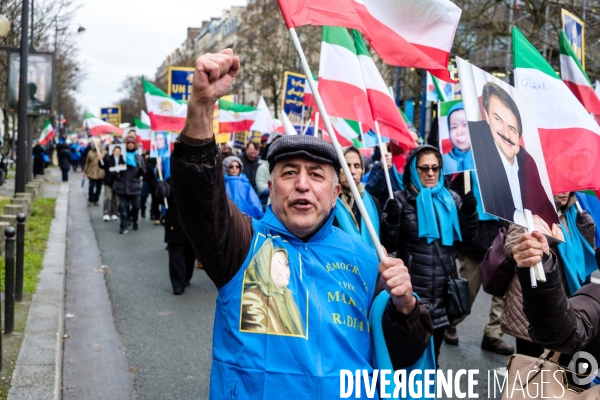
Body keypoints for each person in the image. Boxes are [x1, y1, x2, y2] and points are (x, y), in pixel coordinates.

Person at [171, 49, 432, 399]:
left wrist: (407, 309)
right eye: (289, 173)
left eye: (316, 175)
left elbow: (399, 358)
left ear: (337, 191)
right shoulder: (241, 245)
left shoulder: (368, 259)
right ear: (272, 186)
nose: (302, 184)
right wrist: (201, 108)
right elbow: (199, 196)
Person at [381, 145, 478, 366]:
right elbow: (388, 244)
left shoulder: (452, 199)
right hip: (411, 293)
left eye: (435, 168)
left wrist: (470, 214)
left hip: (443, 293)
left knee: (433, 358)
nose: (431, 173)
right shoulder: (399, 200)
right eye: (424, 168)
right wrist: (391, 221)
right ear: (413, 171)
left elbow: (466, 242)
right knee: (406, 357)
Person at [502, 192, 595, 357]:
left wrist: (587, 232)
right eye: (559, 186)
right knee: (528, 370)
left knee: (558, 372)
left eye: (568, 187)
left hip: (565, 300)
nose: (564, 192)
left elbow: (584, 257)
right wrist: (541, 238)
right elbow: (510, 247)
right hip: (534, 298)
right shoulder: (530, 207)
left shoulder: (575, 210)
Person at [469, 81, 558, 228]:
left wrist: (553, 228)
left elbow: (545, 210)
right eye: (498, 119)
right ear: (487, 117)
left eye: (512, 128)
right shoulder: (476, 144)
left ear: (519, 135)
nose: (505, 133)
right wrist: (523, 219)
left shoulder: (528, 162)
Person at [444, 172, 513, 355]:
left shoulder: (504, 172)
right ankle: (450, 323)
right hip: (474, 242)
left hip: (500, 238)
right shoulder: (463, 173)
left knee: (502, 293)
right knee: (468, 290)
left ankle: (493, 335)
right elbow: (454, 206)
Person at [511, 230, 600, 358]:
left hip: (568, 293)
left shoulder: (576, 216)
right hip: (546, 300)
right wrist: (542, 264)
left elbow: (583, 254)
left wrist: (586, 229)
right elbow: (565, 332)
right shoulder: (596, 295)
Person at [334, 146, 381, 248]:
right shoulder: (328, 202)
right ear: (337, 169)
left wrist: (392, 223)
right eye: (346, 165)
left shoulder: (373, 202)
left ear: (362, 170)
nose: (352, 171)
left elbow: (386, 243)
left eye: (357, 166)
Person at [113, 133, 146, 234]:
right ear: (125, 144)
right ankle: (123, 226)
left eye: (132, 142)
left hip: (134, 185)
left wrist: (141, 169)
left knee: (136, 206)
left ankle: (134, 220)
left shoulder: (138, 156)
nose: (130, 144)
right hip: (122, 185)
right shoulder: (121, 155)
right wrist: (116, 171)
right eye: (128, 142)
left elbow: (144, 171)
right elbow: (112, 168)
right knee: (123, 207)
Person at [442, 102, 475, 174]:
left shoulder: (487, 157)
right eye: (453, 127)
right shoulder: (442, 161)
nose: (459, 132)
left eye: (465, 124)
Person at [101, 145, 124, 221]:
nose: (117, 153)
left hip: (118, 181)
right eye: (115, 151)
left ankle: (114, 212)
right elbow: (102, 165)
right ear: (113, 151)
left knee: (116, 198)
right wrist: (100, 160)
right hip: (109, 180)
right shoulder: (108, 158)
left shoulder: (123, 159)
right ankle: (106, 213)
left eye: (118, 151)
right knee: (107, 197)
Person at [83, 139, 105, 206]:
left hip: (100, 173)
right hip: (92, 172)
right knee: (91, 186)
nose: (97, 146)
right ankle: (90, 200)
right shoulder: (90, 152)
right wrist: (85, 171)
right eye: (95, 144)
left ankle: (96, 199)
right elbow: (87, 162)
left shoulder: (104, 152)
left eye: (98, 144)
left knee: (99, 188)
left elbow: (107, 162)